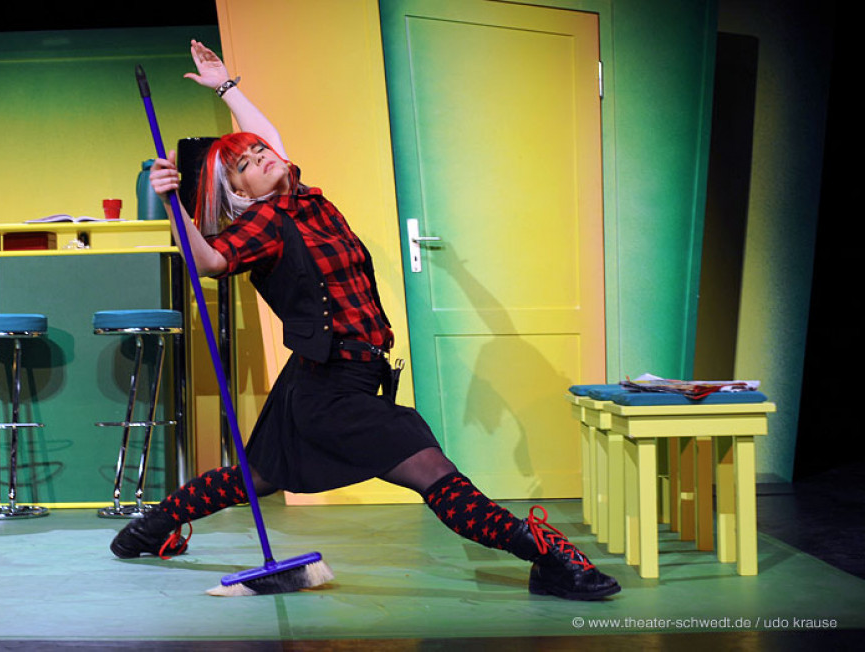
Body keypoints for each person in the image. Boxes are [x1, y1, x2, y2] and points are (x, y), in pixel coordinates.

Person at [111, 39, 620, 601]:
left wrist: (228, 88)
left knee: (256, 477)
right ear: (238, 193)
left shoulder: (313, 203)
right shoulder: (266, 223)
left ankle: (148, 528)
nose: (261, 157)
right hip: (326, 387)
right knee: (431, 470)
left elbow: (269, 139)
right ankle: (547, 557)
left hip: (335, 375)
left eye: (260, 151)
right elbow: (209, 261)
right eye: (247, 165)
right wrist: (172, 202)